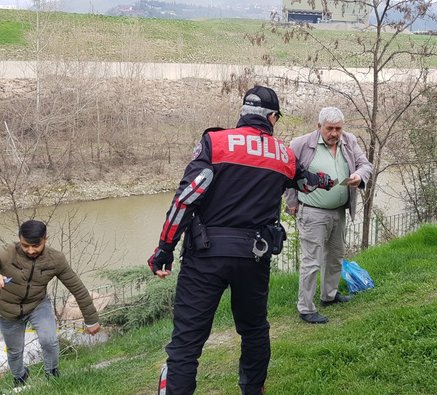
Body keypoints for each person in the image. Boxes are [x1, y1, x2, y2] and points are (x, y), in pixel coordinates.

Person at [147, 85, 334, 395]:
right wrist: (325, 180)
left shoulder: (215, 142)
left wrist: (164, 249)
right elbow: (306, 182)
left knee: (186, 344)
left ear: (244, 113)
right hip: (254, 257)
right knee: (254, 331)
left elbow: (186, 199)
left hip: (205, 257)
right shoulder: (283, 153)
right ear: (272, 117)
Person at [284, 107, 373, 324]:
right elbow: (287, 174)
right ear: (319, 126)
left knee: (335, 257)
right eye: (329, 128)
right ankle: (306, 307)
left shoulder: (349, 141)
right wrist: (292, 203)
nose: (334, 133)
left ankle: (329, 296)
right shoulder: (301, 144)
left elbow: (365, 165)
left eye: (338, 129)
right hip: (312, 212)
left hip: (339, 211)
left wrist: (358, 176)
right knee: (311, 262)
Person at [0, 220, 101, 387]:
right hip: (7, 310)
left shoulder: (56, 259)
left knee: (49, 340)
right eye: (26, 245)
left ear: (45, 239)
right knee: (15, 351)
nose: (30, 250)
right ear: (19, 239)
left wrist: (91, 319)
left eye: (36, 245)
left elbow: (78, 288)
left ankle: (52, 373)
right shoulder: (7, 253)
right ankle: (20, 378)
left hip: (38, 305)